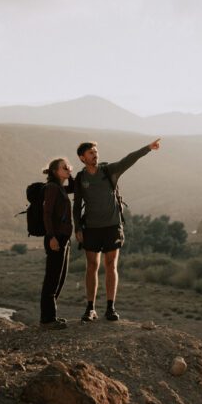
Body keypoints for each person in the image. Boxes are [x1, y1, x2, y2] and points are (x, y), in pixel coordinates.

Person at [74, 138, 161, 322]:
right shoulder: (81, 178)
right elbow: (77, 205)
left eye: (96, 152)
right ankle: (90, 309)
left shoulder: (109, 170)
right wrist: (77, 227)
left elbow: (128, 159)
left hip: (112, 226)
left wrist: (147, 148)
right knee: (91, 267)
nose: (95, 155)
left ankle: (110, 308)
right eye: (91, 153)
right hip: (91, 228)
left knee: (111, 265)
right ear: (82, 158)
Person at [39, 157, 75, 330]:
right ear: (55, 171)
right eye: (64, 167)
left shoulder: (61, 188)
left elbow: (74, 188)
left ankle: (51, 316)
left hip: (64, 238)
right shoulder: (53, 188)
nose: (68, 169)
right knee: (52, 279)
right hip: (56, 238)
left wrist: (71, 174)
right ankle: (47, 319)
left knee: (60, 279)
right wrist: (51, 236)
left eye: (68, 166)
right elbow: (47, 213)